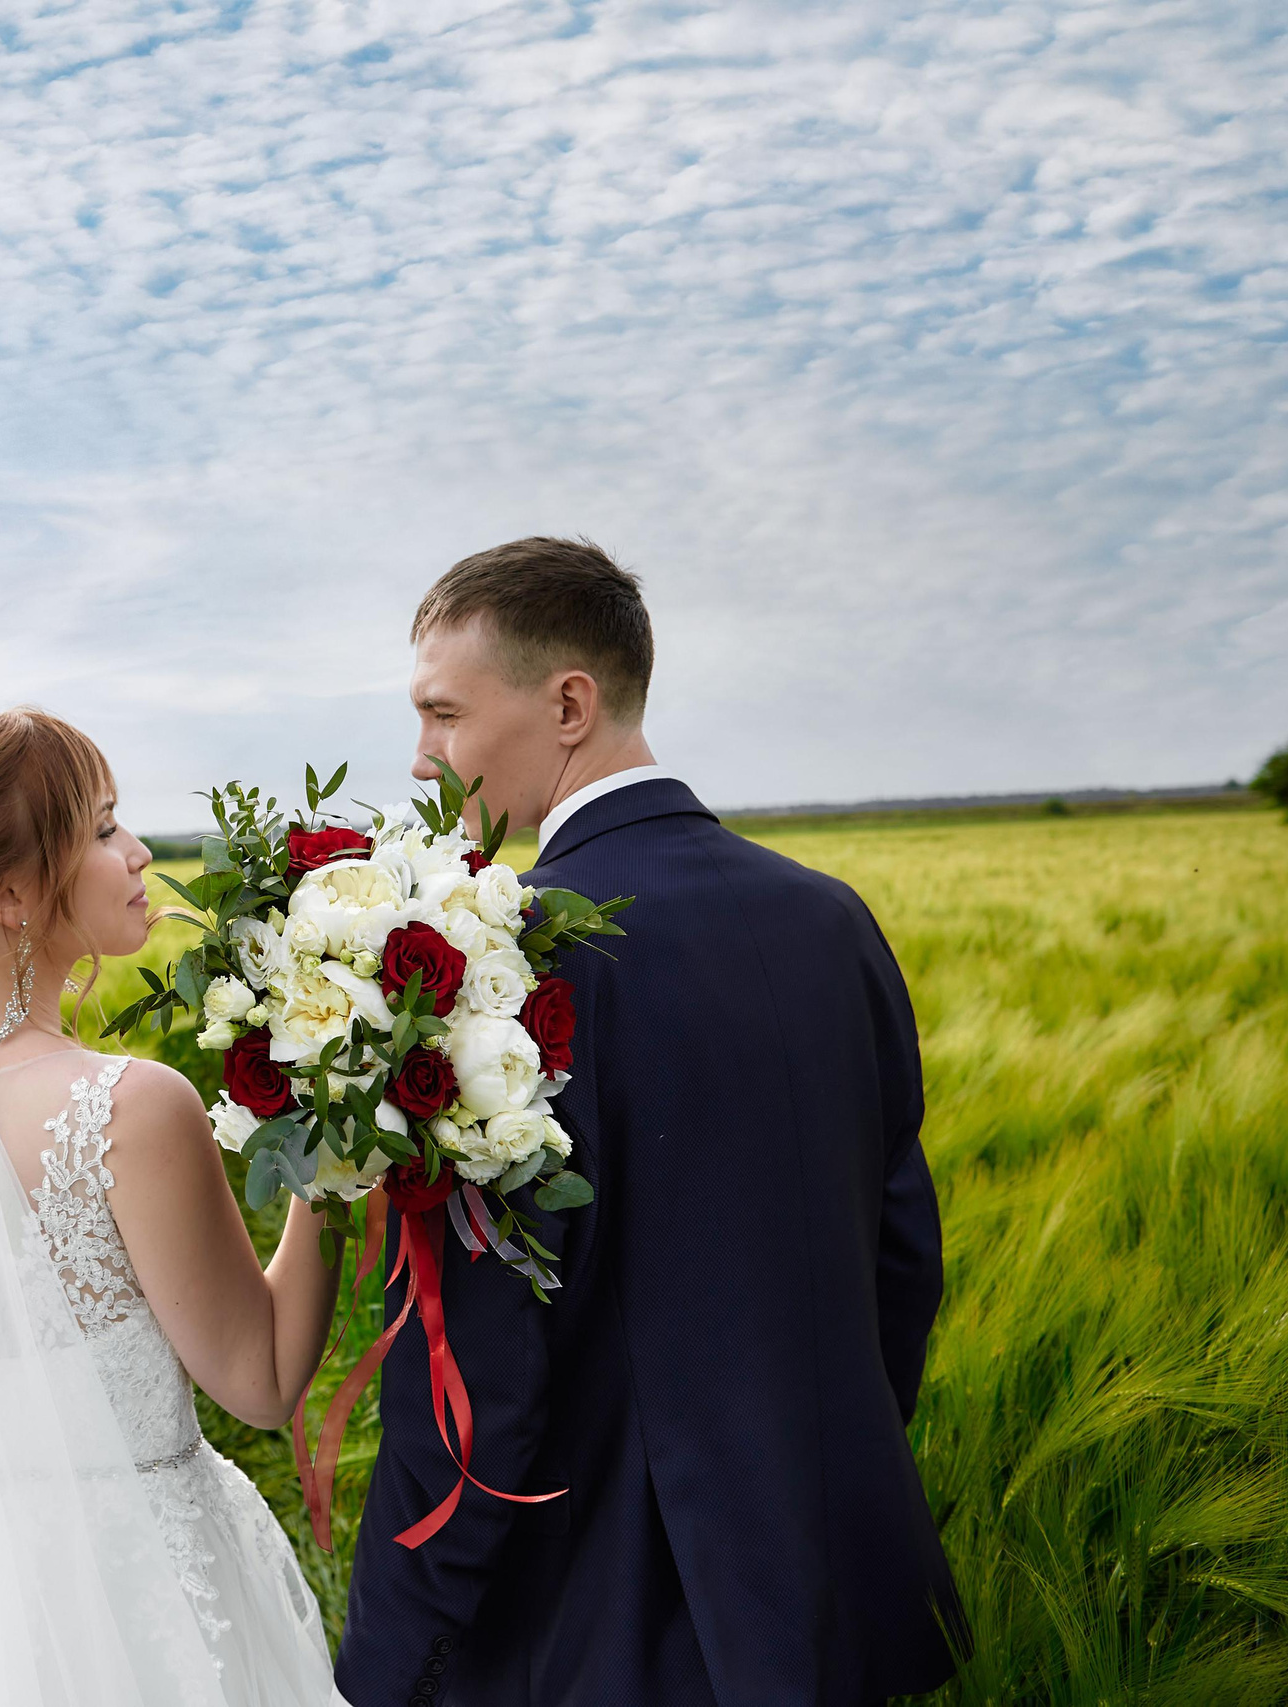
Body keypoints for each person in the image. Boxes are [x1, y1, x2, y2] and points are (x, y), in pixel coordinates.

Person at [336, 539, 965, 1707]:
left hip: (600, 1627)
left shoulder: (499, 964)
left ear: (568, 704)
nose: (422, 756)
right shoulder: (832, 919)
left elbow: (473, 1380)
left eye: (443, 714)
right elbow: (897, 1260)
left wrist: (387, 1661)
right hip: (826, 1603)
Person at [0, 705, 353, 1707]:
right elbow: (264, 1380)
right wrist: (341, 1143)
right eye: (101, 828)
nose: (138, 853)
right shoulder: (129, 1109)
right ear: (10, 893)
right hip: (153, 1617)